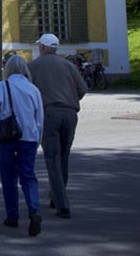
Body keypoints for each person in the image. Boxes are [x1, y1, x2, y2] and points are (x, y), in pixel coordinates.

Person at [28, 33, 88, 219]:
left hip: (49, 114)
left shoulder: (34, 66)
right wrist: (69, 100)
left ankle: (62, 205)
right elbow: (82, 89)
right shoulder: (68, 65)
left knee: (52, 157)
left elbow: (28, 91)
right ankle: (56, 196)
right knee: (63, 157)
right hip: (70, 114)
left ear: (42, 47)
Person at [0, 55, 44, 236]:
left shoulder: (3, 87)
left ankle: (12, 216)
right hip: (29, 138)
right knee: (28, 175)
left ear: (8, 70)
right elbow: (39, 118)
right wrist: (37, 139)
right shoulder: (33, 89)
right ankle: (34, 210)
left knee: (8, 177)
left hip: (7, 138)